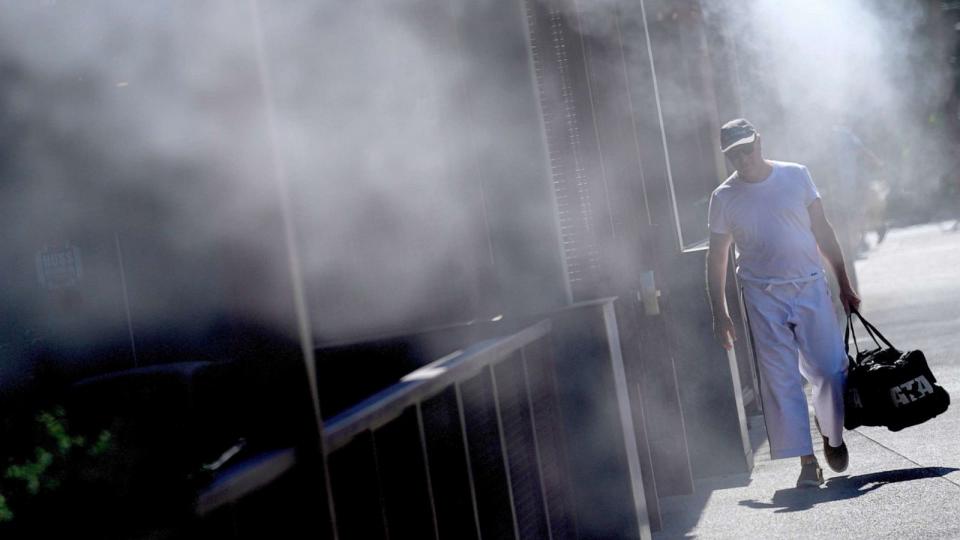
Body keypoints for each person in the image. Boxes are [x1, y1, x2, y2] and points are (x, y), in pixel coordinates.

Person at [706, 118, 861, 488]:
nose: (742, 158)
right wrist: (720, 312)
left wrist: (843, 283)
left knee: (827, 370)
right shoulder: (724, 197)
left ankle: (831, 435)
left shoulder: (796, 175)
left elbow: (822, 230)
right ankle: (807, 461)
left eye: (747, 148)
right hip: (761, 295)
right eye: (733, 154)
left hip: (809, 286)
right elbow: (717, 258)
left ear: (759, 140)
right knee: (781, 379)